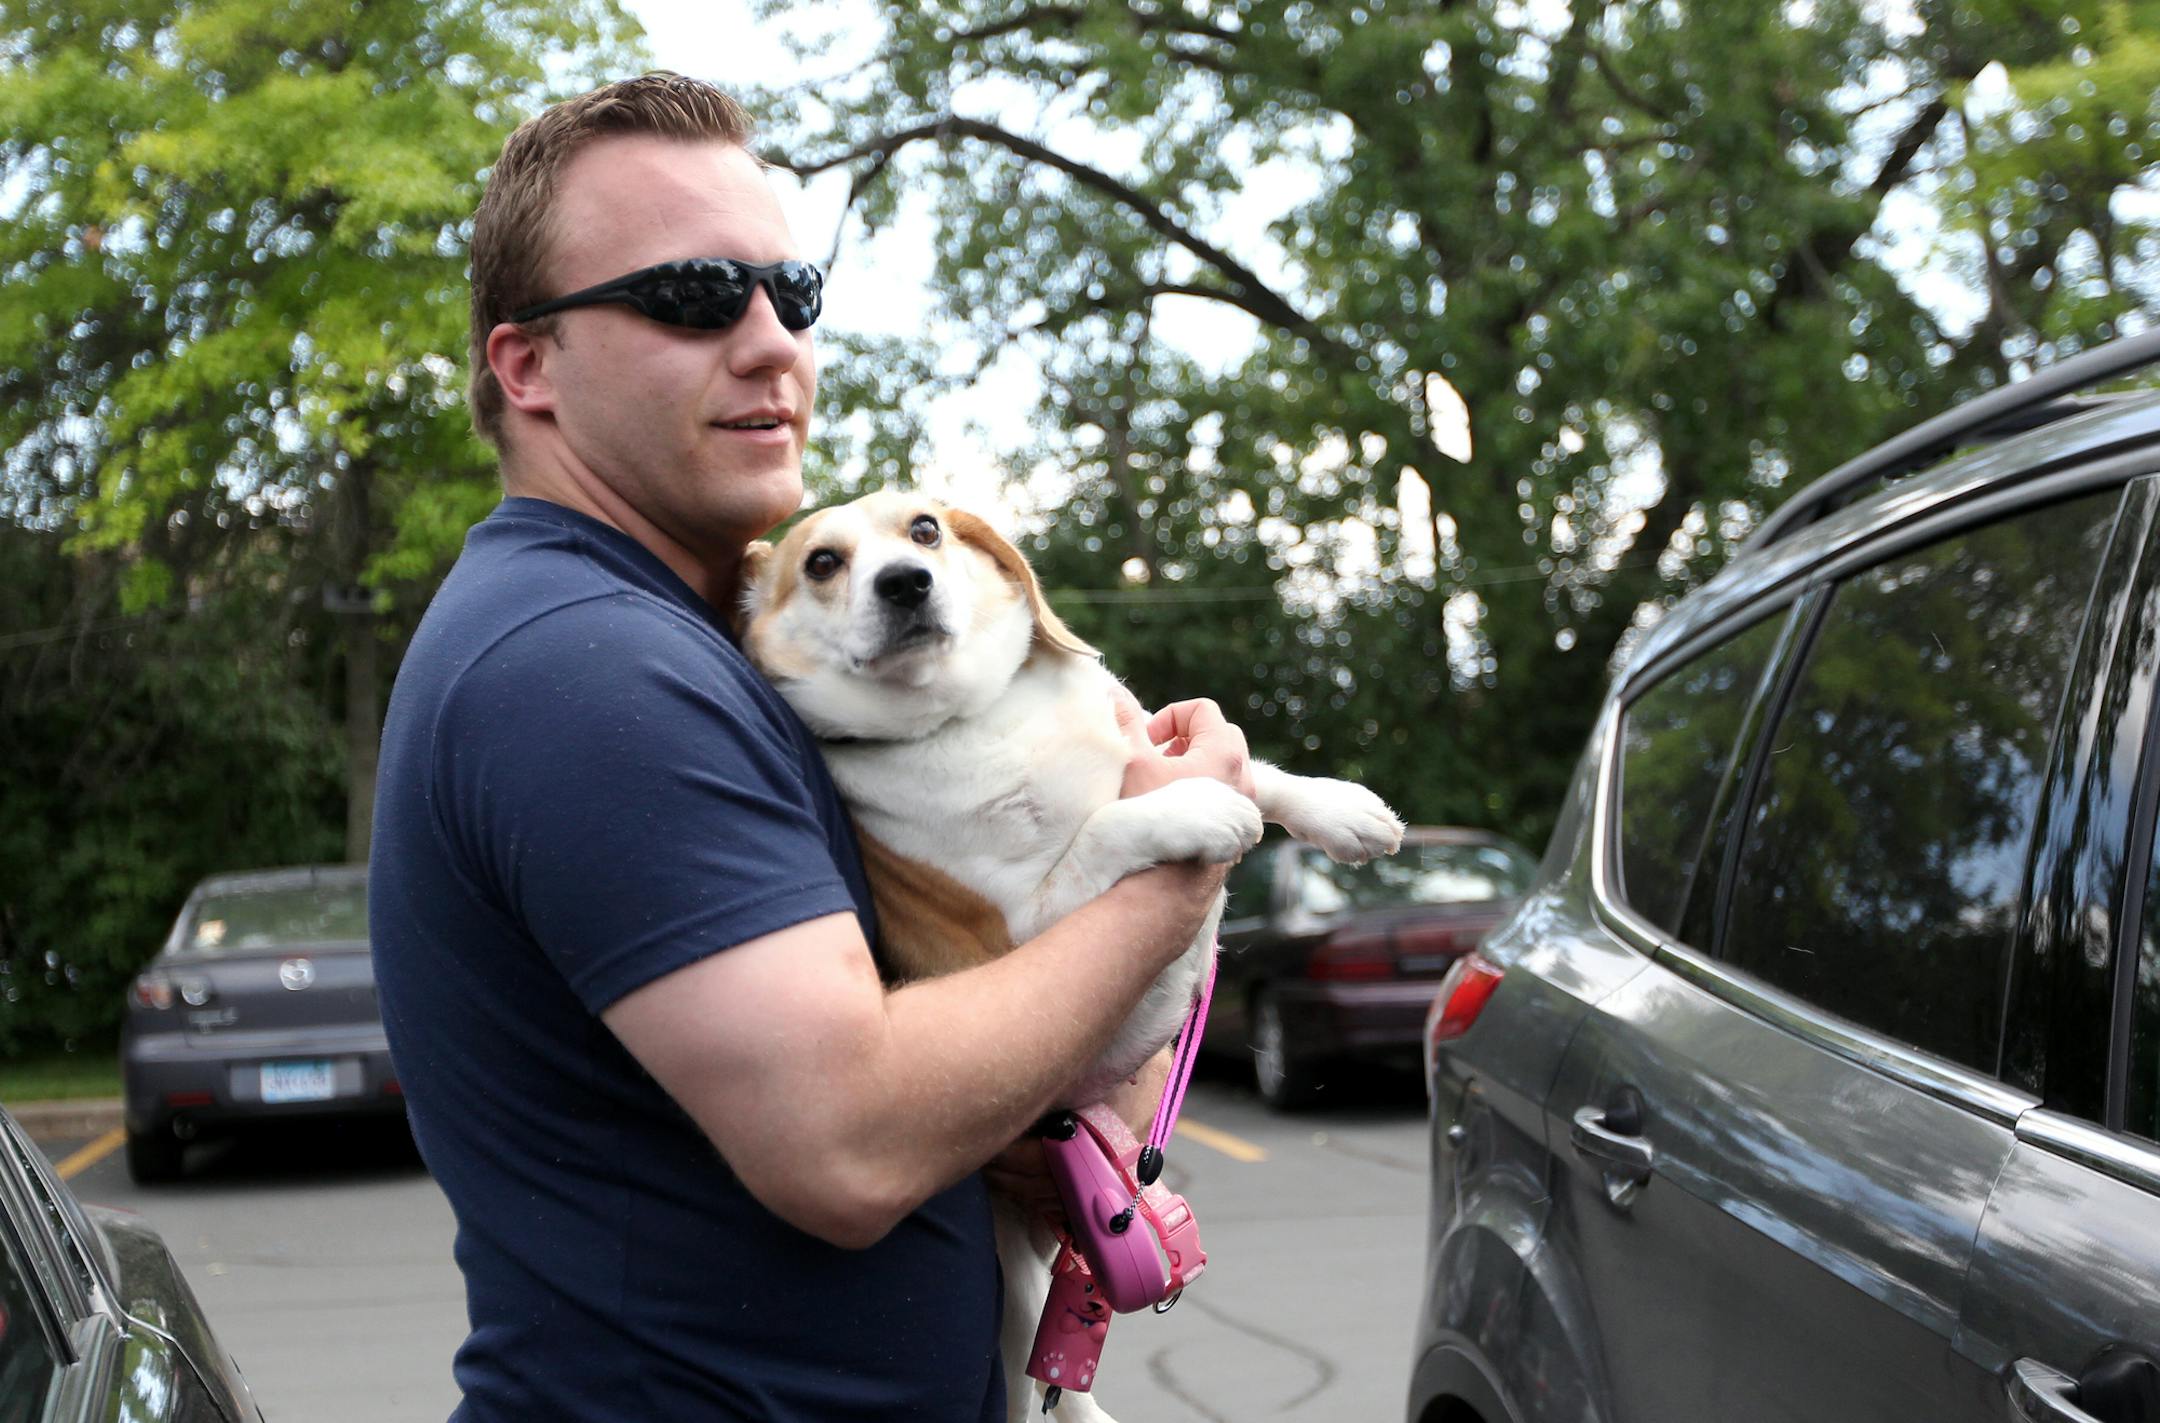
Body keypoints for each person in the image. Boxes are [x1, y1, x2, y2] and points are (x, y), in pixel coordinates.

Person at [369, 72, 1256, 1422]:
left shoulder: (690, 650)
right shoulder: (586, 668)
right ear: (526, 365)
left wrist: (1029, 1119)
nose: (770, 339)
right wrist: (1172, 873)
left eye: (795, 292)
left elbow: (942, 1018)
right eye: (690, 298)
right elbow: (846, 1141)